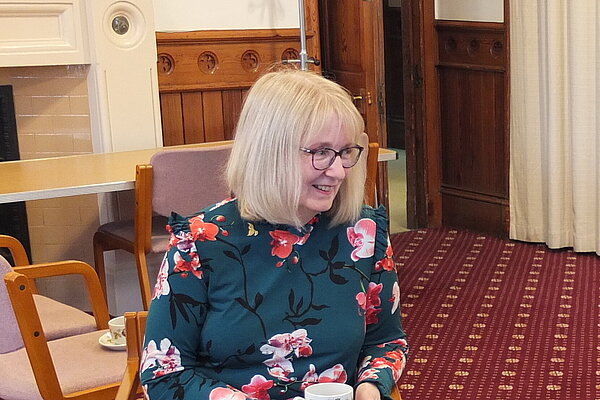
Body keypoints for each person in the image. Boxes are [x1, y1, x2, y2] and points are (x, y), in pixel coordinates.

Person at [140, 68, 409, 400]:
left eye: (344, 152)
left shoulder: (362, 233)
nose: (338, 171)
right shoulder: (201, 240)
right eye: (320, 152)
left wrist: (369, 387)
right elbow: (165, 374)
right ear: (270, 151)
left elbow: (385, 341)